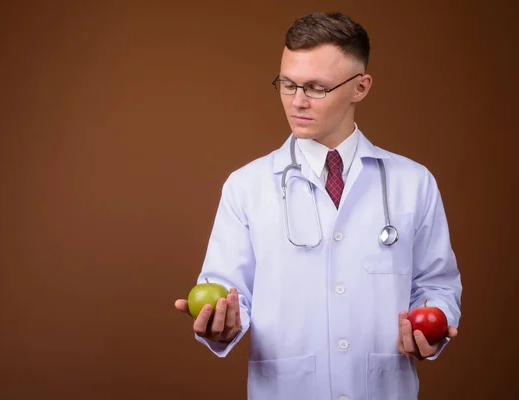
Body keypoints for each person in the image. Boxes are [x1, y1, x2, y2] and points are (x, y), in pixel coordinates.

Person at [174, 11, 462, 400]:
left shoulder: (413, 183)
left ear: (360, 87)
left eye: (315, 88)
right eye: (287, 84)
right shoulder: (247, 186)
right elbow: (227, 291)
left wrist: (432, 325)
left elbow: (436, 284)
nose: (297, 101)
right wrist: (222, 323)